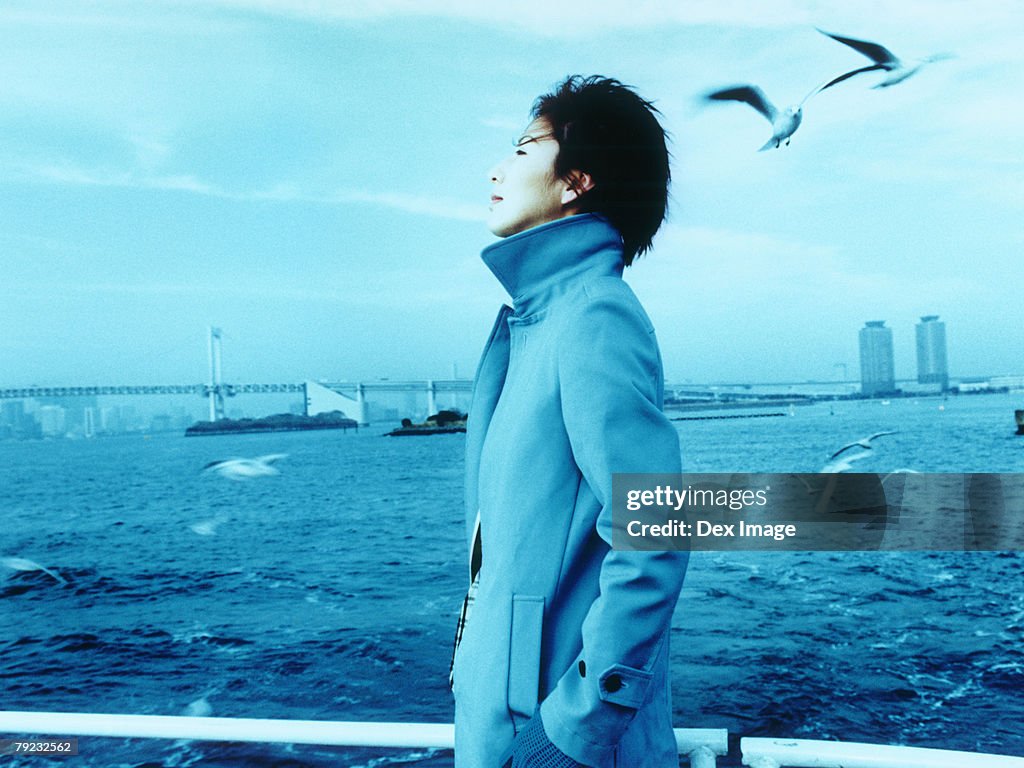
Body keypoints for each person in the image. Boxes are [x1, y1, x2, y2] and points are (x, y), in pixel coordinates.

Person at [450, 75, 689, 768]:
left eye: (524, 149)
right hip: (511, 724)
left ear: (576, 181)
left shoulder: (594, 316)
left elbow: (658, 528)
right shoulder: (541, 321)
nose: (498, 169)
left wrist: (575, 728)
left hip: (552, 740)